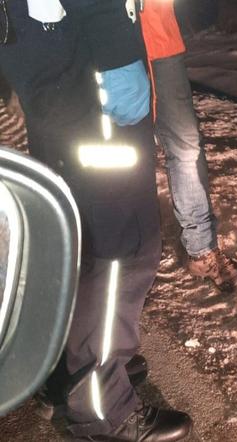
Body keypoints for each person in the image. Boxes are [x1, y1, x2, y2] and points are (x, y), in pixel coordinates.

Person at [0, 1, 192, 440]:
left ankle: (75, 369)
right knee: (121, 247)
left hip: (55, 56)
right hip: (87, 67)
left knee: (82, 234)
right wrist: (116, 52)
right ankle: (102, 405)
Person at [140, 0, 237, 294]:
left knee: (186, 149)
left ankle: (202, 251)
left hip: (161, 41)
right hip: (105, 49)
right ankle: (127, 258)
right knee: (122, 155)